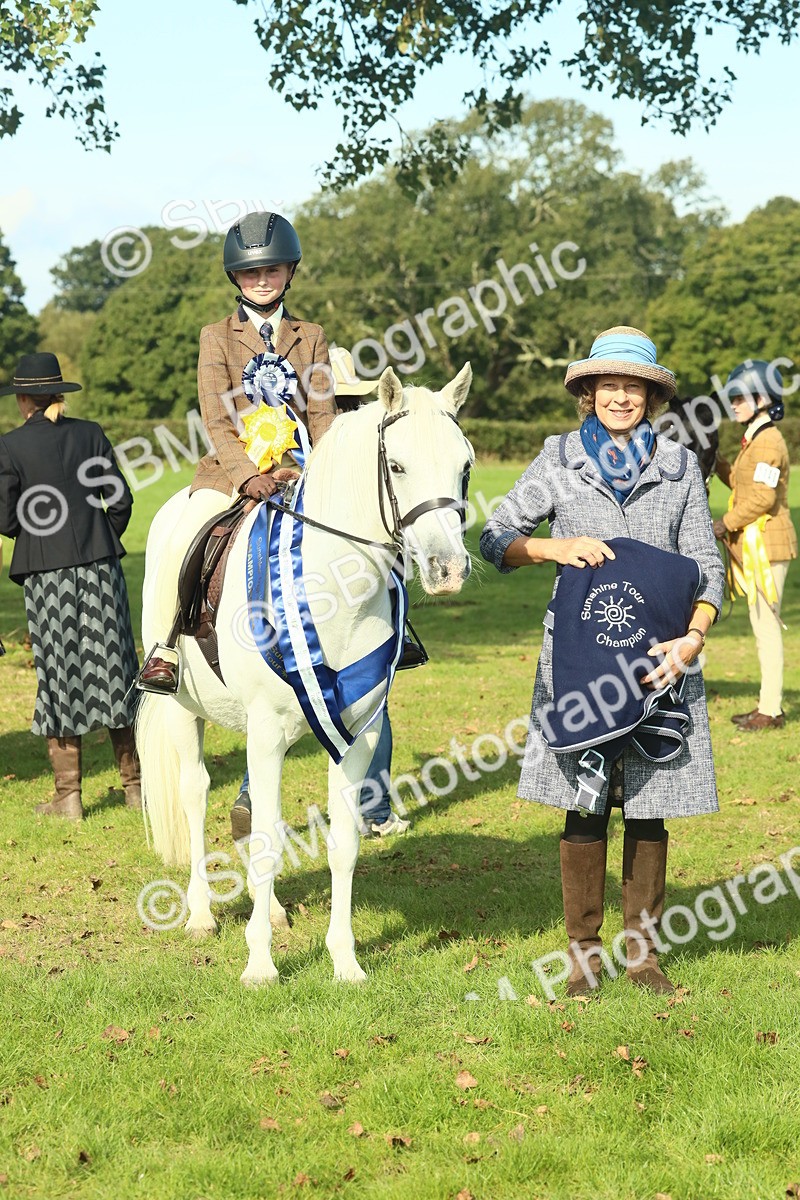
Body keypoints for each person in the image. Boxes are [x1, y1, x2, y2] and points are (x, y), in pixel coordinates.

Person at [480, 327, 724, 996]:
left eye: (634, 386)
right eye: (609, 385)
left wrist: (694, 639)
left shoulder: (679, 466)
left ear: (652, 394)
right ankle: (584, 954)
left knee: (649, 806)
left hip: (660, 666)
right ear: (589, 392)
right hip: (581, 665)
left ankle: (643, 955)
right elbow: (494, 536)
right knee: (586, 803)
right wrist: (556, 549)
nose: (621, 397)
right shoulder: (557, 458)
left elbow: (708, 567)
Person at [139, 210, 337, 691]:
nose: (262, 280)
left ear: (290, 272)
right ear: (236, 277)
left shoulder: (310, 336)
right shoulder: (216, 336)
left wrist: (324, 470)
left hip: (299, 469)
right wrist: (247, 475)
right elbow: (216, 417)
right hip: (230, 474)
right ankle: (165, 647)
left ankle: (384, 631)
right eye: (252, 272)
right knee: (184, 536)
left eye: (272, 270)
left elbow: (322, 414)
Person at [229, 347, 411, 841]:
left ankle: (256, 793)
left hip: (334, 534)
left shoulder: (362, 432)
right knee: (354, 692)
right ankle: (371, 807)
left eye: (352, 401)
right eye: (342, 400)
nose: (349, 409)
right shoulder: (279, 419)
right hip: (282, 510)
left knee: (300, 685)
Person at [0, 353, 140, 820]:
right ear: (59, 393)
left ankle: (68, 796)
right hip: (100, 566)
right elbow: (119, 501)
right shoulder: (91, 433)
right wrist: (97, 534)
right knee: (115, 668)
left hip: (45, 575)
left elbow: (4, 519)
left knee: (59, 675)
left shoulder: (11, 446)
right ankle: (135, 787)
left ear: (23, 401)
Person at [713, 360, 796, 731]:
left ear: (762, 398)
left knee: (766, 629)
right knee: (761, 626)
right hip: (757, 542)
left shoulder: (770, 441)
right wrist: (715, 461)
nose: (733, 404)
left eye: (739, 397)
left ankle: (772, 710)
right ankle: (768, 704)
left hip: (769, 545)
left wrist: (723, 523)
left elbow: (762, 500)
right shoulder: (755, 438)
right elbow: (746, 487)